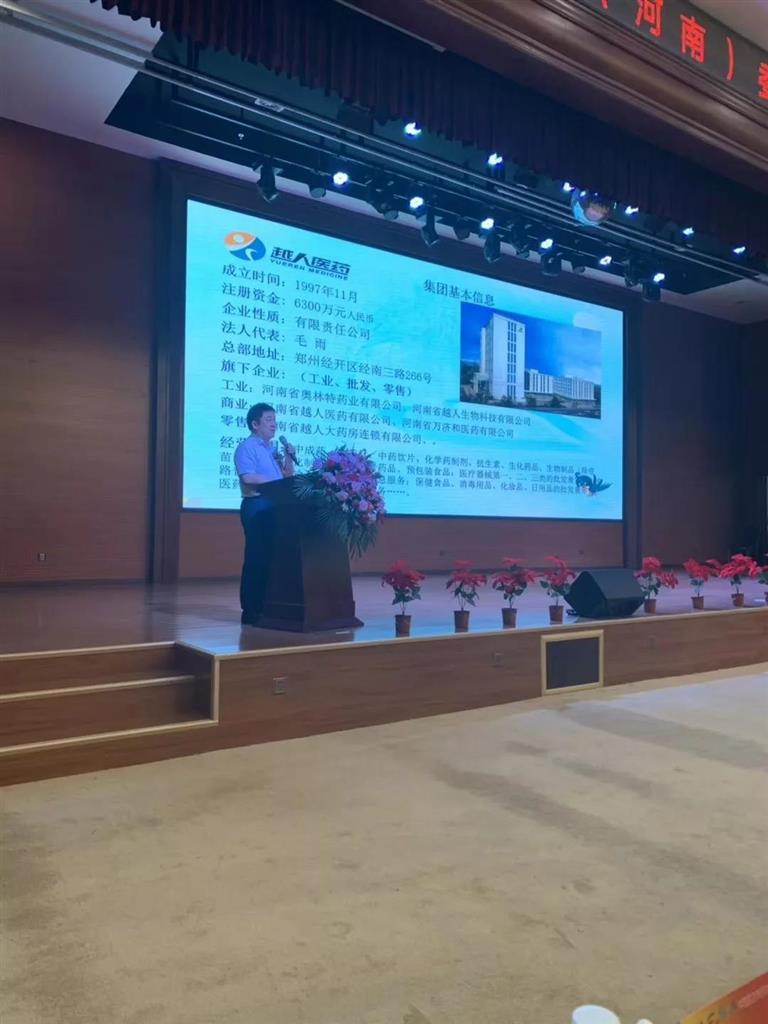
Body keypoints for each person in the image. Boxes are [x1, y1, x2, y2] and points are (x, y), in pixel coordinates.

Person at [234, 403, 296, 626]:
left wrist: (288, 457)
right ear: (255, 424)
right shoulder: (246, 447)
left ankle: (268, 606)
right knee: (257, 558)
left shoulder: (272, 450)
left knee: (273, 558)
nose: (274, 424)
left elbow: (288, 478)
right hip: (256, 506)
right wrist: (276, 481)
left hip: (275, 507)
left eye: (275, 420)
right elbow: (248, 477)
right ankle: (251, 610)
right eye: (269, 420)